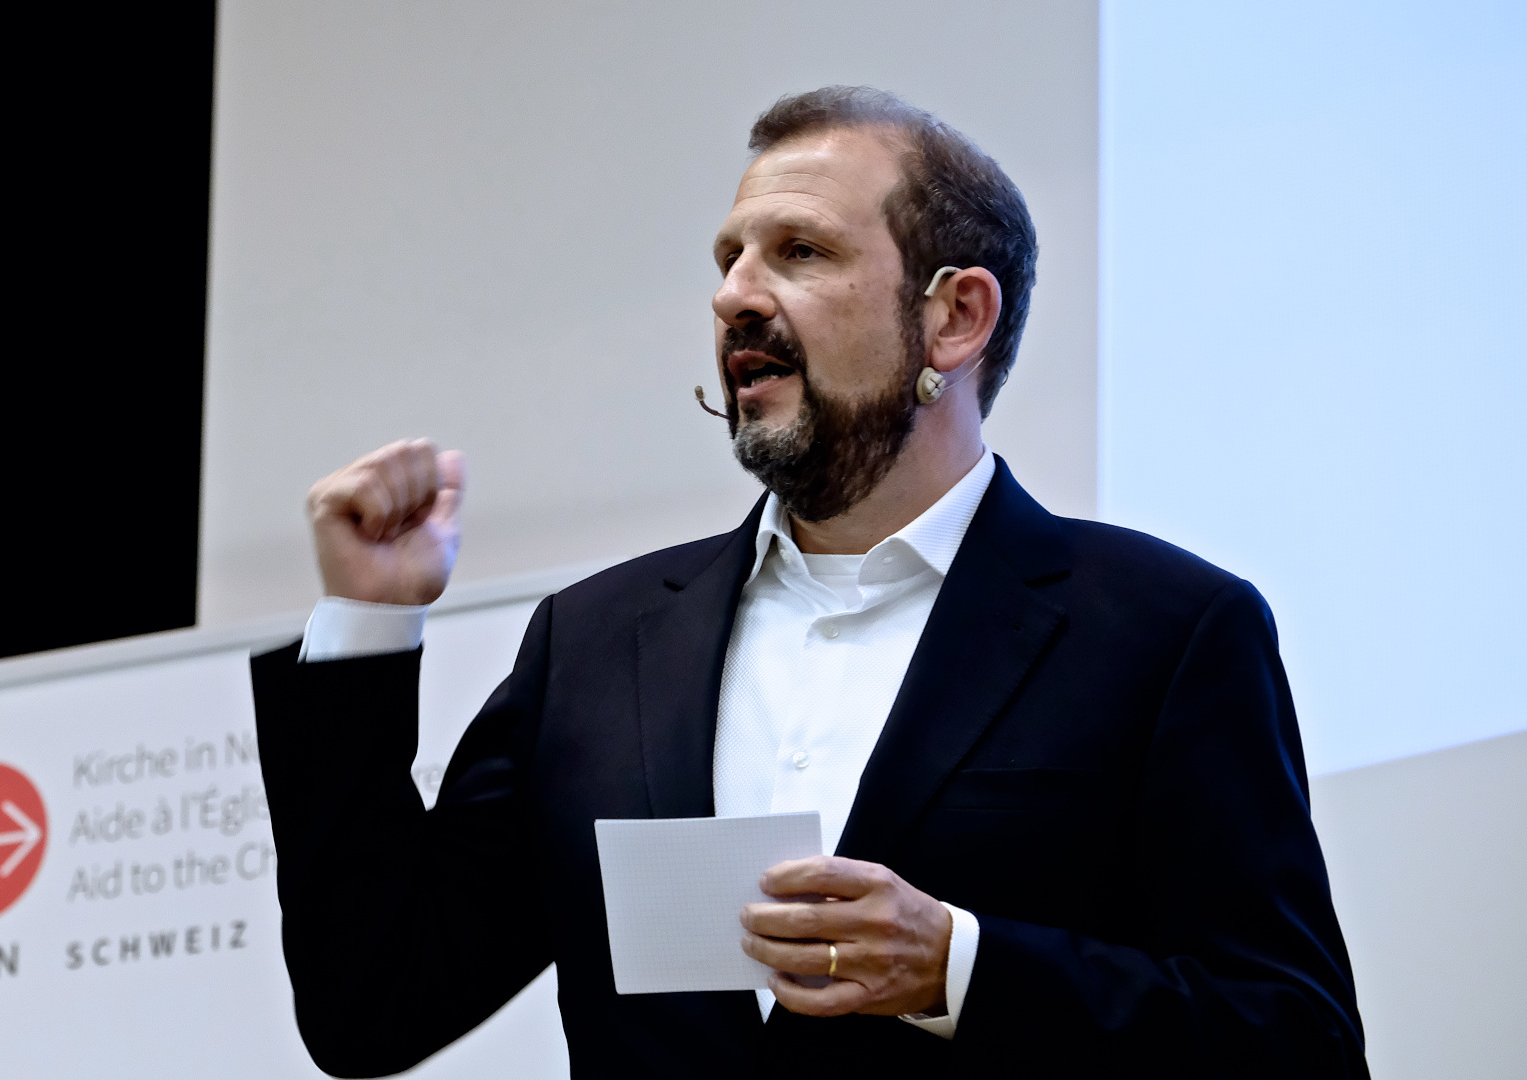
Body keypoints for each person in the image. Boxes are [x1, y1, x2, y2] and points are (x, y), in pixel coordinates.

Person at [250, 86, 1367, 1078]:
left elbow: (1295, 1041)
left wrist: (959, 968)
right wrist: (365, 624)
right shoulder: (595, 643)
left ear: (955, 316)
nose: (735, 296)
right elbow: (373, 1008)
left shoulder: (1163, 632)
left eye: (800, 252)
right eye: (729, 257)